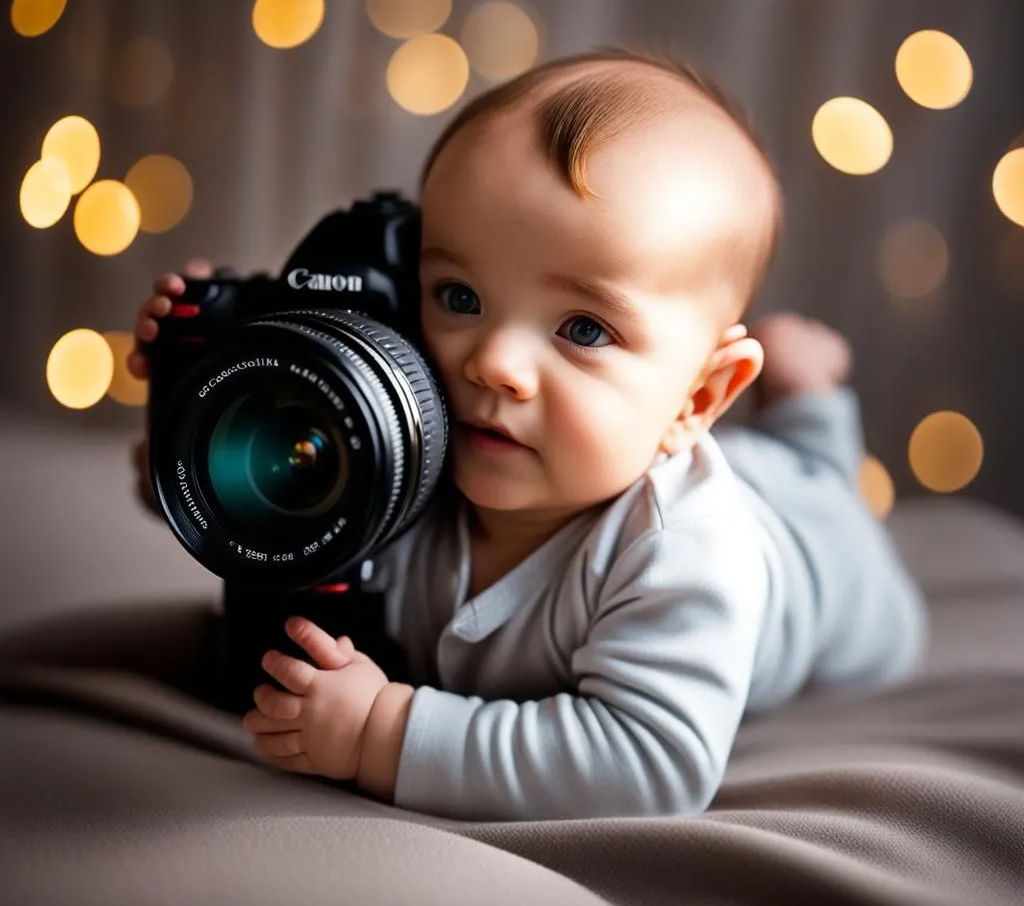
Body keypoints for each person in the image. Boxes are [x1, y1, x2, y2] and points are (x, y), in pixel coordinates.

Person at [128, 48, 927, 822]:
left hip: (815, 549)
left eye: (583, 326)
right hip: (665, 453)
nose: (494, 364)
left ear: (701, 393)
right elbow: (279, 491)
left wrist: (384, 734)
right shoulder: (441, 436)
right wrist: (208, 417)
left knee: (811, 474)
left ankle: (808, 393)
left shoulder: (681, 551)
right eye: (459, 297)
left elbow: (649, 764)